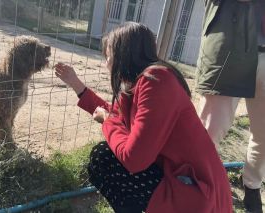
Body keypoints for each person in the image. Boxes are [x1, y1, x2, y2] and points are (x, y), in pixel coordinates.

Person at [54, 22, 232, 213]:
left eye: (108, 56)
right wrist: (76, 84)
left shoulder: (156, 81)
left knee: (104, 158)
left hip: (199, 197)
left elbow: (134, 159)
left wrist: (107, 122)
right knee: (105, 157)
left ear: (123, 55)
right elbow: (113, 113)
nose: (106, 64)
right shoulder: (145, 82)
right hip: (182, 182)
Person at [196, 0, 265, 212]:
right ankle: (193, 187)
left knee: (264, 134)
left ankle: (252, 186)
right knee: (209, 130)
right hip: (227, 46)